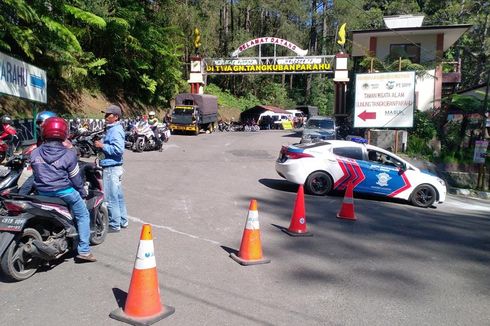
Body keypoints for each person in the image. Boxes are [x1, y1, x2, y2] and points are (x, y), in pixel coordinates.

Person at [30, 117, 96, 262]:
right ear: (64, 133)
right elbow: (76, 178)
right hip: (64, 192)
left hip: (42, 192)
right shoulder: (69, 154)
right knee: (83, 214)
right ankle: (84, 250)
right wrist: (82, 192)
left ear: (44, 132)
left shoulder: (34, 153)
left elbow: (35, 174)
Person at [94, 104, 128, 232]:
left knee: (111, 197)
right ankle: (123, 221)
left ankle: (114, 224)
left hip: (112, 168)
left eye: (109, 115)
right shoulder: (112, 129)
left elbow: (119, 150)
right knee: (118, 196)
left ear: (116, 117)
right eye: (105, 114)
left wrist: (102, 146)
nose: (106, 116)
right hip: (113, 167)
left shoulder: (116, 130)